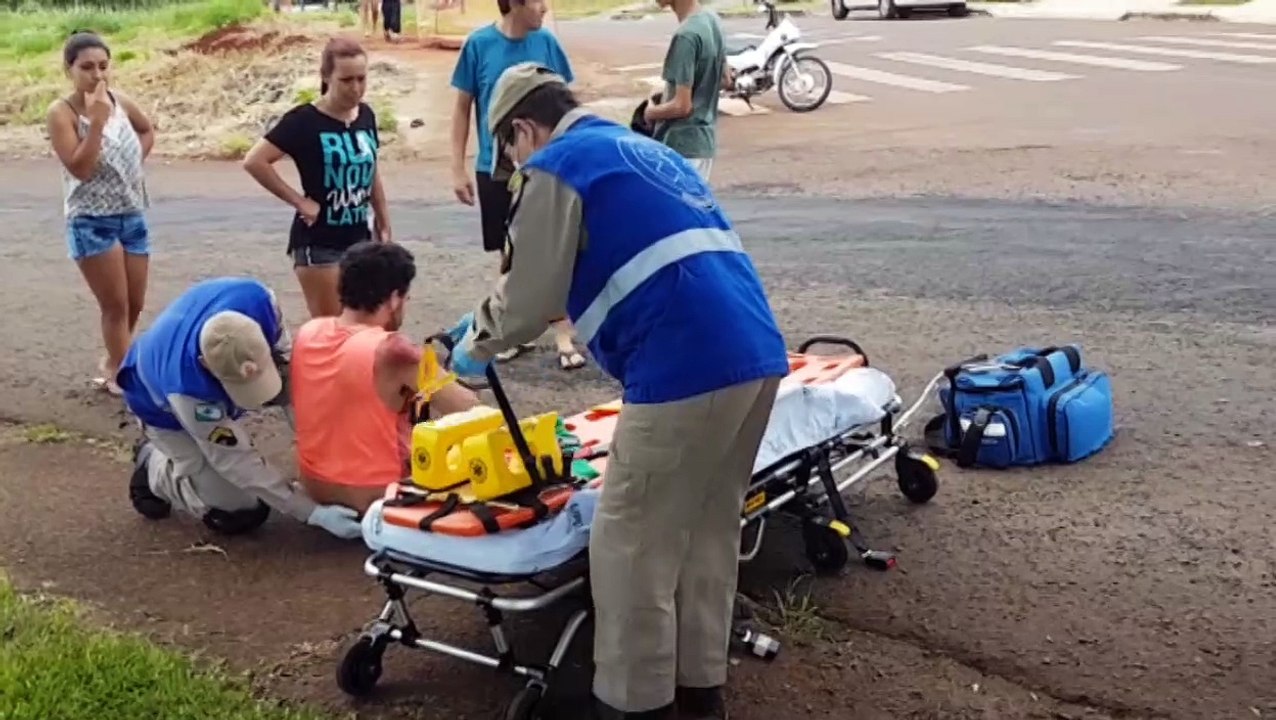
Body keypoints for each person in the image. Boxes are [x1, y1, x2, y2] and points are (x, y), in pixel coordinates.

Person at [446, 62, 789, 720]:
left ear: (524, 129)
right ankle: (699, 691)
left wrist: (476, 342)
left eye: (510, 154)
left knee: (631, 544)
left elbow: (530, 295)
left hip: (684, 364)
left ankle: (634, 704)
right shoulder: (638, 149)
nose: (514, 167)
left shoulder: (557, 164)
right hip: (755, 352)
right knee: (705, 532)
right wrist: (488, 316)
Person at [118, 276, 363, 540]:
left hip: (191, 353)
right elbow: (233, 458)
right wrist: (311, 512)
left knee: (296, 387)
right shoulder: (186, 388)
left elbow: (295, 380)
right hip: (159, 408)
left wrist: (326, 451)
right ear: (205, 363)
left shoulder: (261, 301)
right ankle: (153, 466)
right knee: (240, 510)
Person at [289, 240, 481, 514]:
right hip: (377, 496)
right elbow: (471, 411)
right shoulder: (393, 351)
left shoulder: (308, 331)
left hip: (315, 486)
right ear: (394, 299)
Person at [447, 0, 587, 371]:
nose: (545, 7)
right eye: (539, 0)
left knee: (554, 246)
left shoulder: (547, 45)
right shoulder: (478, 45)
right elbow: (462, 108)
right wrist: (457, 167)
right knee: (510, 252)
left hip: (548, 166)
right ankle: (511, 331)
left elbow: (568, 106)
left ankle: (561, 331)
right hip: (496, 168)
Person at [242, 37, 390, 320]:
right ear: (326, 77)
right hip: (320, 244)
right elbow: (255, 161)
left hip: (361, 239)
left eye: (361, 78)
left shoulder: (366, 115)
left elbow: (371, 171)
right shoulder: (304, 121)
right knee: (333, 330)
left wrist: (384, 223)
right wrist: (299, 202)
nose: (356, 88)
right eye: (346, 80)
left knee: (371, 325)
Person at [47, 30, 156, 396]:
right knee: (115, 305)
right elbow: (79, 166)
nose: (97, 75)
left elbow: (146, 128)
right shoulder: (61, 112)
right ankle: (125, 379)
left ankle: (113, 361)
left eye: (103, 66)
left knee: (136, 302)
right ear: (70, 69)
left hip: (131, 212)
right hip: (92, 220)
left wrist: (134, 160)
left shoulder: (118, 100)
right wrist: (95, 123)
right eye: (87, 67)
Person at [643, 0, 726, 181]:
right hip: (704, 145)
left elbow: (682, 106)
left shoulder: (686, 36)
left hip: (682, 147)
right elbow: (726, 79)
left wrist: (650, 112)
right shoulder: (711, 21)